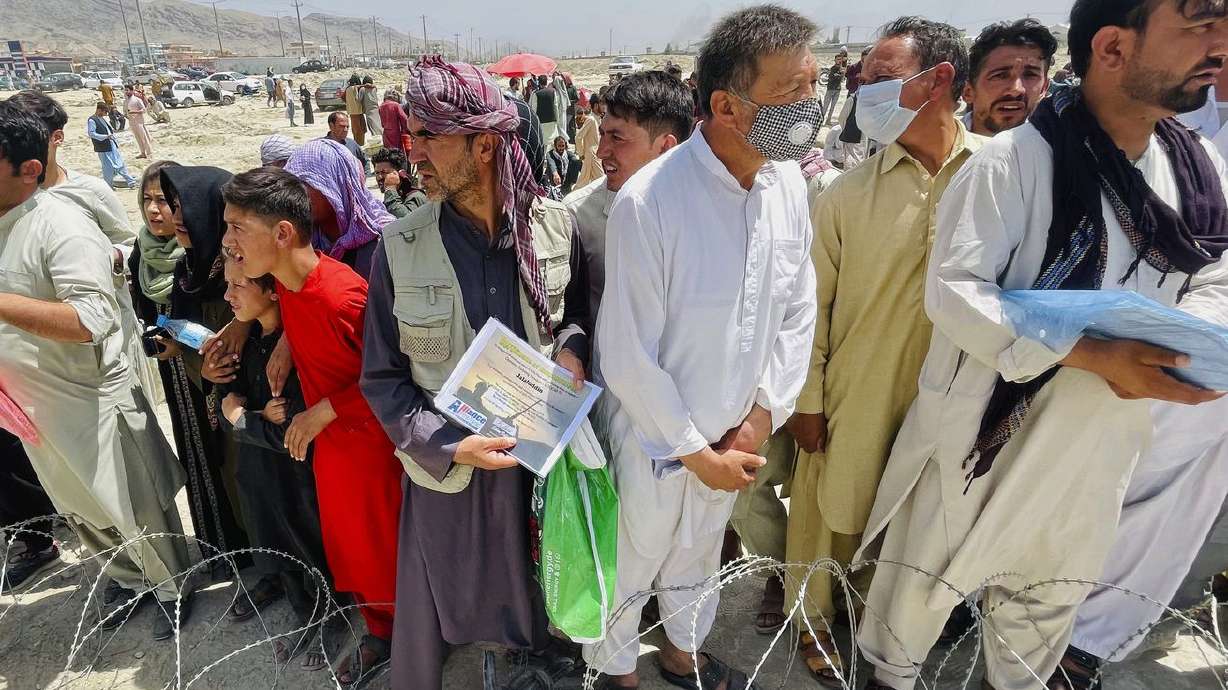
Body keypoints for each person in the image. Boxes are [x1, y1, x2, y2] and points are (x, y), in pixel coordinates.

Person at [854, 1, 1228, 688]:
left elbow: (1217, 271)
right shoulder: (1013, 162)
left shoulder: (1197, 164)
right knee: (912, 609)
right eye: (1199, 23)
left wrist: (1192, 342)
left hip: (1098, 446)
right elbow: (957, 294)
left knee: (1041, 619)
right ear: (1114, 47)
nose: (1220, 42)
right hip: (985, 438)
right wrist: (1094, 353)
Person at [584, 7, 819, 688]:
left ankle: (684, 653)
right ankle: (618, 671)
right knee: (631, 562)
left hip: (737, 435)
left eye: (813, 87)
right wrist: (694, 449)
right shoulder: (651, 201)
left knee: (697, 560)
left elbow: (796, 311)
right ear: (724, 105)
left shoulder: (787, 189)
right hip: (656, 440)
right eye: (791, 93)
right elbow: (627, 351)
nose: (810, 106)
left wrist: (759, 417)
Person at [360, 55, 591, 690]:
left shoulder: (552, 227)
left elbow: (576, 318)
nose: (414, 153)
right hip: (453, 471)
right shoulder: (398, 248)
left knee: (549, 592)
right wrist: (448, 444)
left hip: (543, 463)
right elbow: (382, 378)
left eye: (430, 136)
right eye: (412, 135)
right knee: (460, 596)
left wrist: (570, 352)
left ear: (484, 143)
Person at [782, 17, 982, 686]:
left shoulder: (995, 178)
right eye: (862, 81)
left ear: (941, 81)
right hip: (856, 394)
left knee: (914, 524)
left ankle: (886, 626)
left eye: (882, 81)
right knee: (826, 517)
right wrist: (806, 402)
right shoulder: (846, 194)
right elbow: (810, 312)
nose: (865, 94)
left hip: (954, 395)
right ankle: (812, 623)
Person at [0, 103, 193, 640]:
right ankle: (132, 582)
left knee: (133, 508)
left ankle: (176, 590)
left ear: (29, 169)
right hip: (35, 410)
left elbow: (90, 319)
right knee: (83, 511)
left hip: (90, 402)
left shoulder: (59, 226)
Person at [221, 167, 402, 688]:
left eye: (238, 228)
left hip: (368, 451)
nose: (229, 243)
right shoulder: (290, 286)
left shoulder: (343, 296)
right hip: (334, 454)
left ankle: (405, 639)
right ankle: (379, 628)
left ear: (282, 234)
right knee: (353, 548)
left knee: (380, 550)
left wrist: (324, 410)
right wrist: (285, 345)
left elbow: (393, 377)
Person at [215, 258, 331, 671]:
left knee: (307, 545)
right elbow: (226, 398)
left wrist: (242, 418)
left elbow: (293, 428)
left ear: (272, 290)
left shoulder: (295, 349)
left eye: (238, 285)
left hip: (293, 475)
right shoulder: (245, 340)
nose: (228, 295)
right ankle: (298, 606)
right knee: (272, 541)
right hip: (256, 471)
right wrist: (249, 416)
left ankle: (324, 621)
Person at [147, 164, 253, 576]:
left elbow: (236, 351)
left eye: (184, 207)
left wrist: (209, 358)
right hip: (204, 400)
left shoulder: (241, 272)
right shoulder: (187, 270)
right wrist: (179, 347)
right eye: (172, 205)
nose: (176, 218)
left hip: (244, 404)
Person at [563, 70, 692, 331]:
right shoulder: (577, 215)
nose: (600, 152)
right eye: (603, 134)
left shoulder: (707, 216)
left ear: (665, 147)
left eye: (617, 138)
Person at [285, 137, 392, 279]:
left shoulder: (386, 243)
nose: (297, 195)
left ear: (338, 184)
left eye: (307, 183)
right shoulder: (300, 242)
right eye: (294, 185)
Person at [962, 19, 1058, 137]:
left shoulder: (1055, 150)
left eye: (1030, 75)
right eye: (1000, 75)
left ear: (1044, 88)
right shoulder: (940, 146)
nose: (1016, 89)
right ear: (968, 91)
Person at [86, 101, 137, 189]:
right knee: (108, 168)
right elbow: (92, 134)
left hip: (111, 145)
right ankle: (108, 186)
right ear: (99, 110)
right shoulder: (92, 120)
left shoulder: (101, 118)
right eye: (104, 112)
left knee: (120, 163)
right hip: (103, 148)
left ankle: (131, 182)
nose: (105, 114)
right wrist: (105, 137)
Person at [371, 147, 427, 218]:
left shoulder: (415, 195)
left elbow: (406, 221)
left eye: (384, 172)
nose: (379, 177)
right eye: (377, 173)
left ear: (400, 174)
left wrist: (390, 189)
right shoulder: (397, 194)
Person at [529, 74, 564, 146]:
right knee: (552, 142)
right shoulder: (552, 92)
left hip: (541, 122)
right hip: (552, 120)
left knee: (543, 142)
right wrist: (557, 119)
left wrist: (534, 122)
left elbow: (534, 110)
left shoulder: (536, 93)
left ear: (539, 82)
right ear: (546, 82)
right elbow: (555, 107)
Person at [573, 102, 602, 188]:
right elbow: (578, 137)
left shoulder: (594, 118)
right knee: (600, 179)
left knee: (584, 180)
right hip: (592, 154)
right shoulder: (591, 120)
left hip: (593, 153)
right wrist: (581, 154)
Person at [822, 48, 848, 125]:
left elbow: (843, 78)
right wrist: (841, 73)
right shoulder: (833, 69)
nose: (839, 61)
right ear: (835, 60)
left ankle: (828, 120)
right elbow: (835, 77)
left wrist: (843, 72)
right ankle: (821, 120)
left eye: (840, 59)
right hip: (830, 90)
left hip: (837, 90)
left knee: (832, 107)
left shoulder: (842, 68)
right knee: (825, 107)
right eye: (838, 59)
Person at [125, 85, 152, 158]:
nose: (126, 92)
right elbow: (126, 111)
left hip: (139, 122)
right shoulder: (126, 100)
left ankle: (149, 153)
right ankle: (143, 153)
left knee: (144, 137)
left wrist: (134, 112)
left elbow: (144, 110)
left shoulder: (137, 99)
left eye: (127, 90)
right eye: (125, 90)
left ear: (132, 90)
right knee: (137, 138)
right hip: (131, 122)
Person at [345, 74, 366, 146]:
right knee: (360, 130)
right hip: (358, 112)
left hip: (352, 113)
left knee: (355, 130)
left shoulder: (347, 89)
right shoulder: (354, 88)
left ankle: (357, 144)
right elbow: (358, 86)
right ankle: (359, 145)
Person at [361, 76, 382, 144]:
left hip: (369, 111)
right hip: (376, 110)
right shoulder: (374, 88)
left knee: (373, 128)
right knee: (378, 127)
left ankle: (377, 143)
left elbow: (358, 99)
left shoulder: (362, 89)